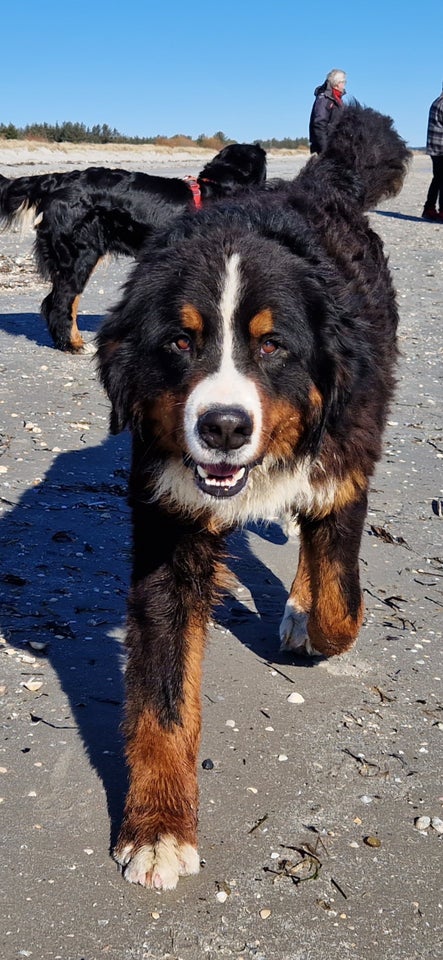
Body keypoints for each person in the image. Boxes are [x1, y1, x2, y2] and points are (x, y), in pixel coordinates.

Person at [309, 69, 347, 154]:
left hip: (335, 145)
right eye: (343, 82)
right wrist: (325, 149)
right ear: (337, 83)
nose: (344, 85)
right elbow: (319, 123)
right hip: (325, 147)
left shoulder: (337, 99)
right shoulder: (325, 99)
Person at [422, 87, 443, 221]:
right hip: (441, 148)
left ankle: (429, 208)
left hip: (435, 148)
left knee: (438, 178)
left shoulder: (437, 102)